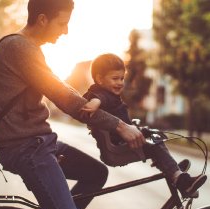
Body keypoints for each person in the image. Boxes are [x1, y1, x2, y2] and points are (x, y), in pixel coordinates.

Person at [0, 1, 146, 209]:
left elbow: (63, 91)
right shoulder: (19, 47)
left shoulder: (25, 47)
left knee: (95, 174)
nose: (65, 31)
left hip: (40, 143)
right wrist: (120, 126)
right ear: (42, 19)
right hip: (26, 148)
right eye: (62, 23)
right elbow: (65, 98)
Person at [82, 53, 207, 198]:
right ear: (99, 79)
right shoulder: (100, 95)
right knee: (153, 145)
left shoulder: (106, 93)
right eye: (115, 78)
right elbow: (98, 99)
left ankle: (171, 168)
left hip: (122, 140)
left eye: (122, 78)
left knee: (157, 135)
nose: (120, 83)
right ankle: (180, 178)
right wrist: (95, 103)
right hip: (117, 146)